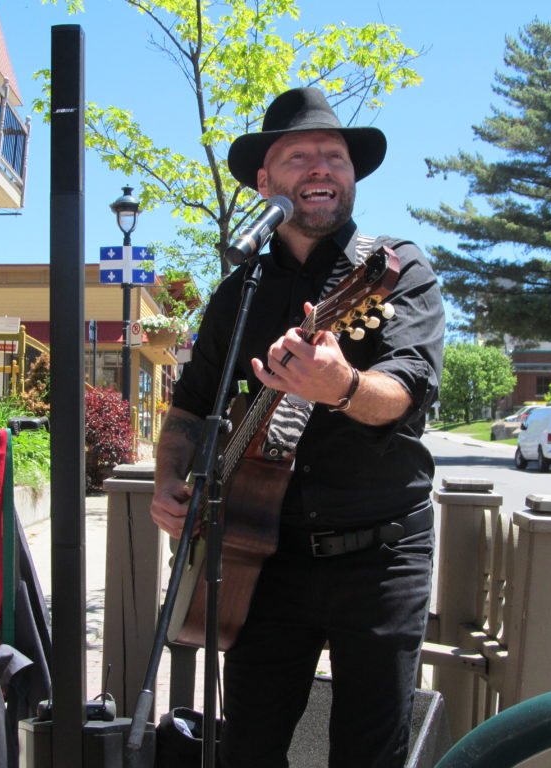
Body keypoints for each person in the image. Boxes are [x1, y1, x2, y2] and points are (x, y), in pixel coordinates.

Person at [150, 87, 445, 768]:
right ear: (265, 181)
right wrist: (172, 480)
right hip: (264, 556)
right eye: (300, 155)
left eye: (335, 157)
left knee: (368, 753)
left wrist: (339, 386)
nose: (321, 167)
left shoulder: (392, 270)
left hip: (381, 554)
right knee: (249, 747)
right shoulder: (240, 287)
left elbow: (404, 392)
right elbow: (193, 407)